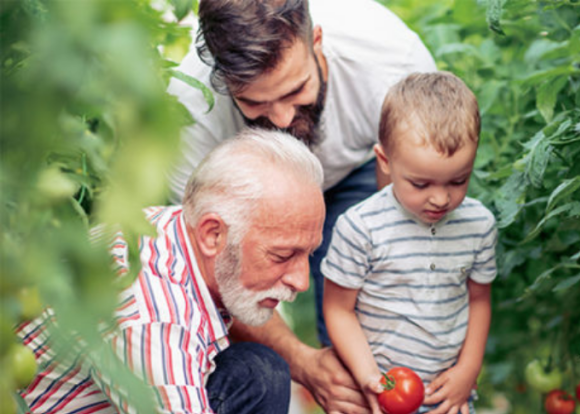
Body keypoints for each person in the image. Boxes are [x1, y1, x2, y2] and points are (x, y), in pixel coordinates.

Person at [4, 129, 325, 414]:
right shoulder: (148, 313)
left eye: (308, 254)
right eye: (282, 255)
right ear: (213, 234)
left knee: (262, 373)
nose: (301, 281)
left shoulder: (181, 231)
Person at [167, 0, 437, 351]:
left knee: (371, 312)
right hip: (250, 193)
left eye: (295, 90)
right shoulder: (189, 111)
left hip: (357, 172)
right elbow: (209, 268)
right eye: (254, 103)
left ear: (317, 41)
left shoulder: (394, 64)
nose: (280, 119)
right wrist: (304, 363)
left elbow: (408, 222)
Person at [320, 72, 498, 414]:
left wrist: (467, 371)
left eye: (459, 181)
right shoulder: (359, 227)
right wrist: (368, 378)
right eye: (421, 183)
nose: (440, 198)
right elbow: (338, 311)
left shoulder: (478, 225)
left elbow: (479, 300)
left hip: (446, 407)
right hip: (369, 406)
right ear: (384, 160)